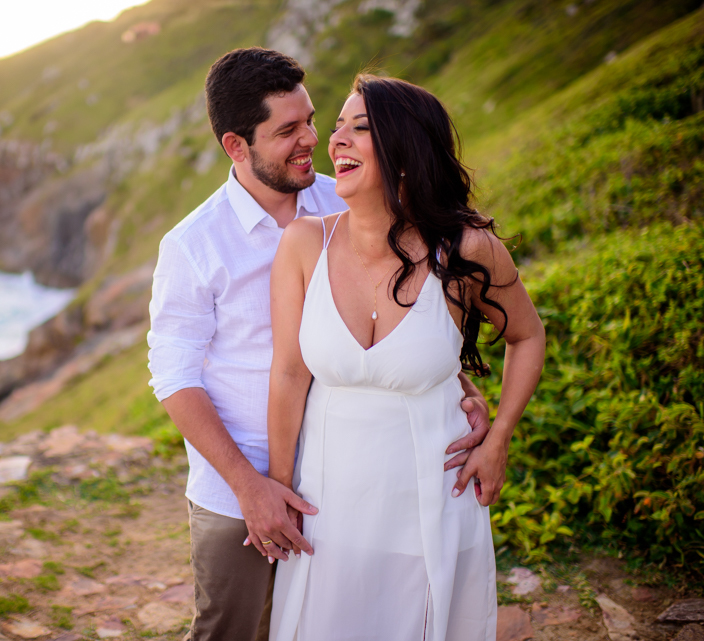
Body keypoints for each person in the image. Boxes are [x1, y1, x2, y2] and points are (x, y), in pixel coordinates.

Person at [147, 50, 493, 641]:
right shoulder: (192, 246)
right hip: (243, 483)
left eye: (310, 119)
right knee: (233, 631)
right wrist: (250, 485)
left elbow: (408, 308)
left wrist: (453, 383)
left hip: (345, 481)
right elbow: (174, 378)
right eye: (287, 131)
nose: (312, 138)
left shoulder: (351, 199)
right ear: (236, 146)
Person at [260, 74, 547, 640]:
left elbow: (527, 337)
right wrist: (278, 487)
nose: (335, 139)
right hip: (327, 506)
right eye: (336, 126)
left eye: (359, 127)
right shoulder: (302, 244)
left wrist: (499, 438)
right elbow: (289, 374)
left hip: (432, 501)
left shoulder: (467, 251)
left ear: (407, 153)